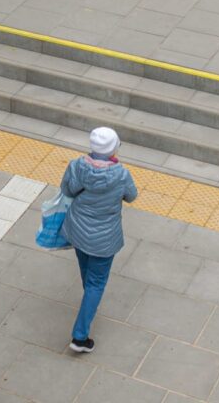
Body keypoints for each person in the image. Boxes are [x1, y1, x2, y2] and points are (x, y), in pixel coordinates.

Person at [60, 126, 138, 354]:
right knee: (96, 283)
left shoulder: (77, 166)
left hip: (78, 229)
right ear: (114, 148)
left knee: (87, 273)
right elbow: (132, 196)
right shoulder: (121, 174)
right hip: (104, 238)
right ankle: (79, 336)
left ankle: (89, 302)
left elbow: (67, 190)